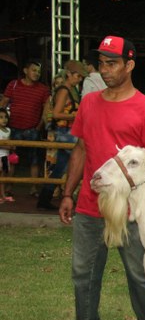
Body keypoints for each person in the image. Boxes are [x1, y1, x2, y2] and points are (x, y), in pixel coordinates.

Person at [52, 35, 145, 320]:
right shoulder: (88, 103)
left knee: (140, 275)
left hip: (129, 211)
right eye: (101, 63)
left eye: (112, 63)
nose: (105, 69)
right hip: (89, 205)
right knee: (83, 273)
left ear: (129, 64)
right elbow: (81, 149)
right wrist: (68, 192)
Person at [37, 60, 86, 210]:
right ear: (69, 74)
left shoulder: (70, 90)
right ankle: (79, 197)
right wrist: (76, 116)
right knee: (82, 162)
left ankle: (44, 199)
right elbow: (57, 113)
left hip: (67, 131)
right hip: (65, 132)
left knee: (60, 168)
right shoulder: (65, 90)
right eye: (78, 76)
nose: (79, 79)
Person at [0, 60, 50, 196]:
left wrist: (39, 126)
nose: (37, 74)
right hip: (12, 128)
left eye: (39, 72)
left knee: (34, 160)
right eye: (34, 70)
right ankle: (7, 187)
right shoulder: (13, 85)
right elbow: (3, 103)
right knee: (11, 159)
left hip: (32, 128)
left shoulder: (43, 89)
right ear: (25, 71)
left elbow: (46, 110)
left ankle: (33, 188)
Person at [0, 108, 14, 203]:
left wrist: (12, 146)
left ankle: (3, 195)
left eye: (5, 117)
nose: (4, 119)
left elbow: (9, 142)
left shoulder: (8, 130)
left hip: (5, 157)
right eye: (0, 117)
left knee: (3, 177)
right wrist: (9, 146)